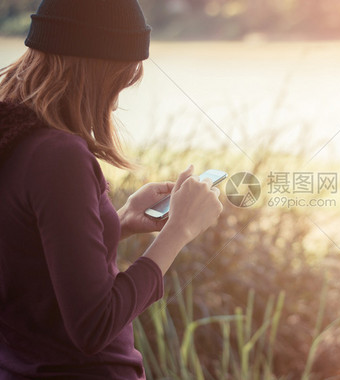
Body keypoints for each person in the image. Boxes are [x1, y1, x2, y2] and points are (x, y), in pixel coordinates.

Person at [0, 0, 223, 378]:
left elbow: (29, 259)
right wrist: (178, 231)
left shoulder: (14, 138)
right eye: (120, 80)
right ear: (93, 70)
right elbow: (94, 325)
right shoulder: (59, 156)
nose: (116, 101)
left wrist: (122, 222)